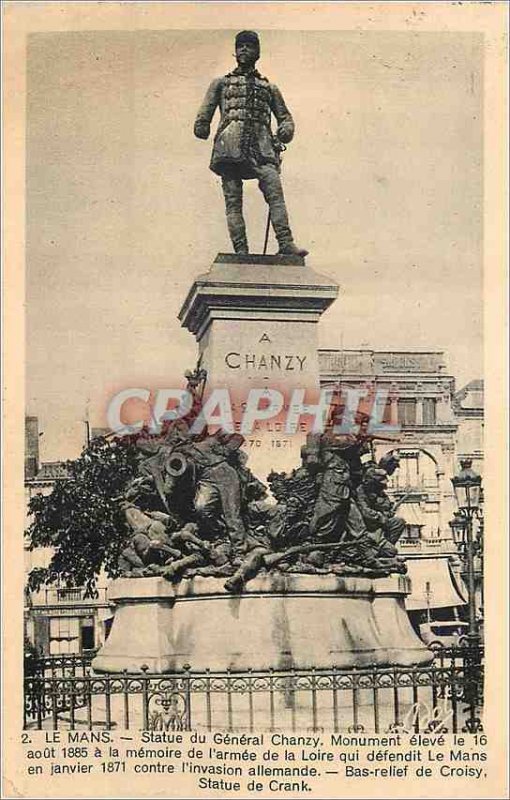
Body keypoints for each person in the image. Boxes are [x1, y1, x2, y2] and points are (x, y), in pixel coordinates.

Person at [194, 30, 308, 256]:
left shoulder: (269, 87)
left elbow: (285, 117)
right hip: (230, 147)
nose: (244, 50)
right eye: (240, 46)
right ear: (235, 52)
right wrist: (202, 126)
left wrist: (285, 130)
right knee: (233, 202)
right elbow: (203, 117)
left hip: (263, 148)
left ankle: (286, 243)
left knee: (275, 192)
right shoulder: (220, 83)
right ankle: (241, 252)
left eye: (249, 46)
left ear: (258, 52)